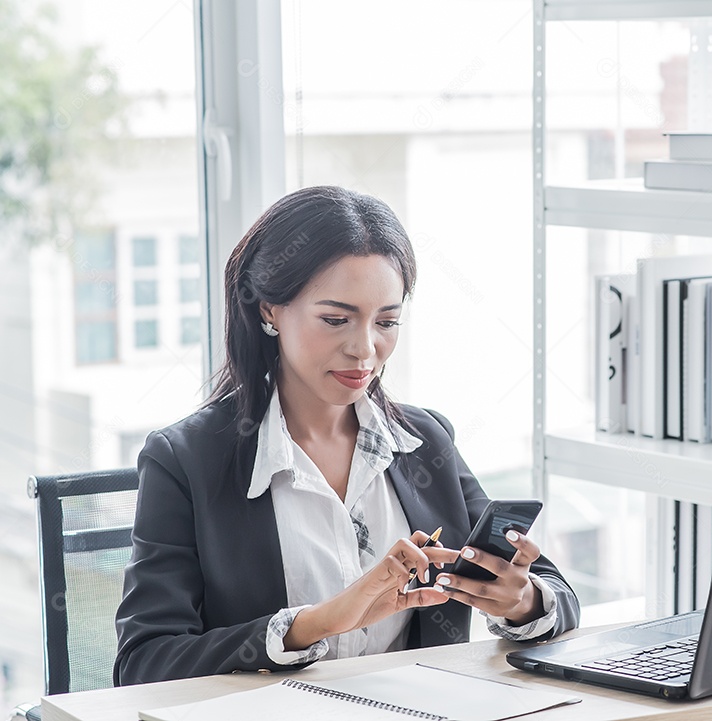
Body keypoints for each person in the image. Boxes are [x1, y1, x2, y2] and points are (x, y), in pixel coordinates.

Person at [113, 186, 580, 685]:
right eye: (336, 319)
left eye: (387, 322)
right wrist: (317, 623)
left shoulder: (423, 441)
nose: (365, 349)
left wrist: (520, 600)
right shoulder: (184, 460)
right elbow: (144, 663)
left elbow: (557, 594)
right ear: (269, 309)